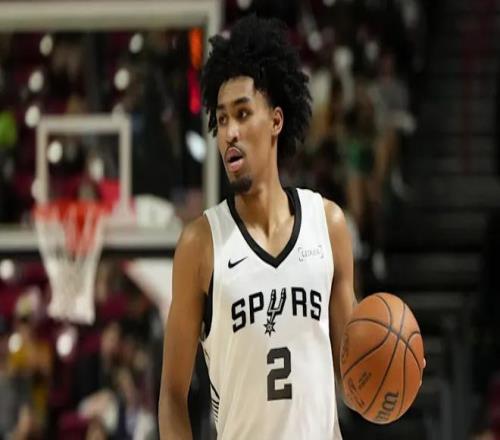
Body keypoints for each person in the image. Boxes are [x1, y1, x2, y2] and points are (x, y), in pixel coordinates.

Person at [158, 15, 357, 439]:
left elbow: (356, 385)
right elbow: (172, 396)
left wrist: (390, 373)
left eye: (243, 113)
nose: (229, 132)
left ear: (276, 121)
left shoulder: (328, 225)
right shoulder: (200, 245)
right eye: (221, 120)